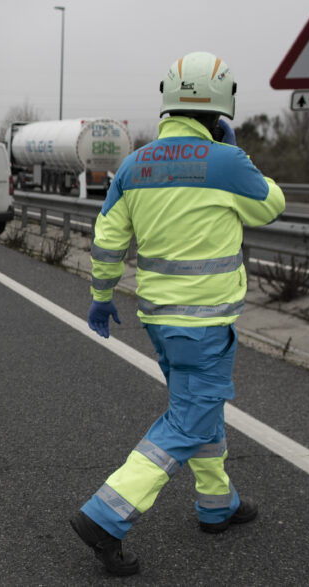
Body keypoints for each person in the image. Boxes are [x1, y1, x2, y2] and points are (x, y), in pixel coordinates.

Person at [70, 52, 285, 576]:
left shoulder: (132, 165)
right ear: (222, 107)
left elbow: (107, 240)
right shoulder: (227, 163)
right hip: (206, 323)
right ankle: (106, 513)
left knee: (198, 407)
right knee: (189, 416)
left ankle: (217, 505)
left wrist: (101, 295)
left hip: (159, 321)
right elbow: (271, 205)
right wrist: (232, 155)